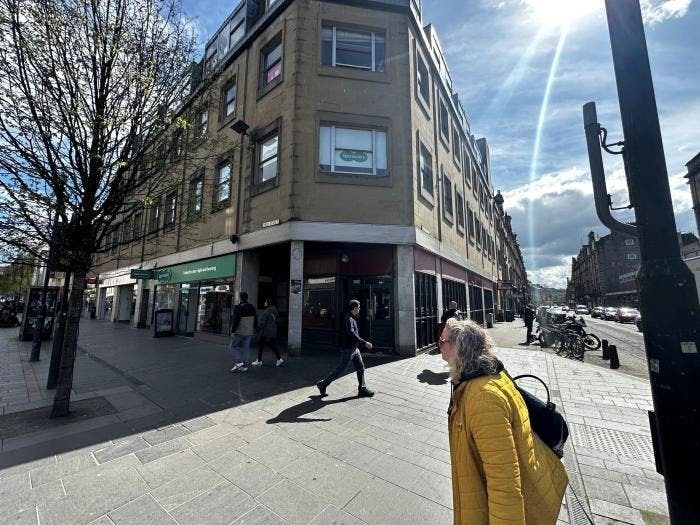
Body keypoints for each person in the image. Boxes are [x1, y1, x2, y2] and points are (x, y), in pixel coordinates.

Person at [439, 318, 568, 524]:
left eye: (442, 341)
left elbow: (504, 483)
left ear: (458, 347)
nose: (439, 345)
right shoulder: (486, 374)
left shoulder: (484, 398)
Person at [317, 299, 374, 398]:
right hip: (348, 349)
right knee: (341, 369)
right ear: (355, 308)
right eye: (359, 307)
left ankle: (362, 389)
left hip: (354, 349)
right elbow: (351, 333)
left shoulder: (352, 317)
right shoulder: (349, 318)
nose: (360, 309)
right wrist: (364, 343)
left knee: (360, 367)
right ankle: (323, 384)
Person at [229, 291, 258, 373]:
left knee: (232, 346)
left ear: (240, 298)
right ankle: (244, 366)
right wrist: (255, 328)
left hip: (240, 331)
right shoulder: (252, 307)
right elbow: (255, 318)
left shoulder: (238, 307)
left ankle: (239, 362)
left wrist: (233, 331)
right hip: (249, 331)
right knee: (246, 348)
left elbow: (236, 320)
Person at [252, 298, 283, 367]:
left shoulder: (267, 311)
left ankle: (259, 361)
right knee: (271, 345)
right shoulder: (274, 310)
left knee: (262, 344)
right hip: (273, 330)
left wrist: (257, 329)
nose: (264, 303)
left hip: (266, 331)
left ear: (268, 303)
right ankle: (279, 359)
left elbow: (262, 323)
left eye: (265, 301)